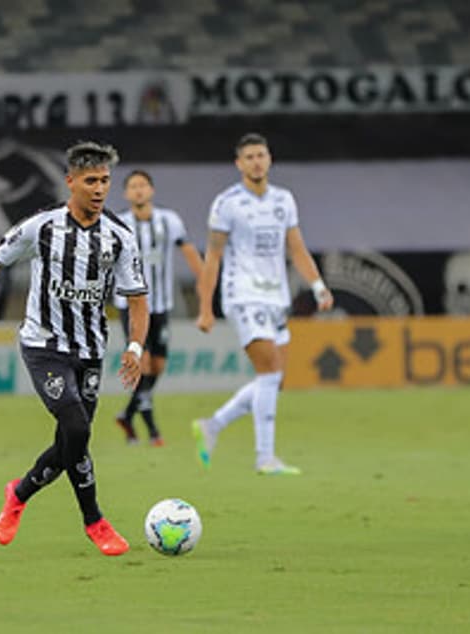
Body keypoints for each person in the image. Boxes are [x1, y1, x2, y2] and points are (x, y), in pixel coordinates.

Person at [0, 141, 148, 556]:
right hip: (44, 346)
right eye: (90, 181)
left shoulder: (120, 238)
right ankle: (95, 521)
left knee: (71, 441)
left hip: (90, 350)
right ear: (70, 181)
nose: (99, 189)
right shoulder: (42, 227)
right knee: (76, 428)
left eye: (105, 181)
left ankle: (18, 493)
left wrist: (135, 347)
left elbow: (137, 299)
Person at [192, 133, 333, 475]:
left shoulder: (284, 200)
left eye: (261, 155)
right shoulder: (227, 203)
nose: (256, 162)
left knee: (274, 379)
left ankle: (213, 425)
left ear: (269, 159)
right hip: (242, 294)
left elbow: (296, 248)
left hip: (276, 297)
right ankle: (265, 458)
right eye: (249, 157)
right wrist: (206, 307)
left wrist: (318, 286)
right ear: (239, 164)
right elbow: (212, 257)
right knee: (269, 370)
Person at [113, 170, 203, 446]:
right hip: (131, 305)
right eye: (133, 186)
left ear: (151, 190)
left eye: (143, 185)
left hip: (161, 304)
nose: (138, 190)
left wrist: (205, 282)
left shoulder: (169, 220)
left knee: (158, 365)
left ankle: (128, 414)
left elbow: (188, 251)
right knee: (143, 362)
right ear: (126, 193)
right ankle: (153, 431)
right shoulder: (119, 224)